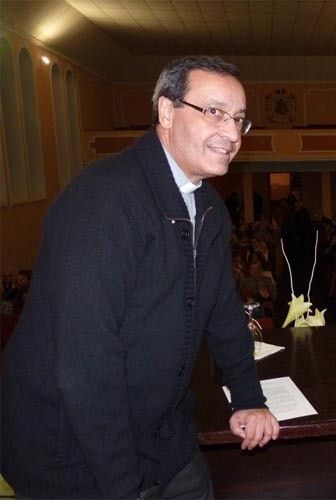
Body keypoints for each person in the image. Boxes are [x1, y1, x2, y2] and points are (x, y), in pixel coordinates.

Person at [1, 55, 280, 499]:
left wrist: (248, 397)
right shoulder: (101, 202)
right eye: (215, 113)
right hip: (74, 455)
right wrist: (123, 488)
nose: (231, 134)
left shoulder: (207, 205)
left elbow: (223, 311)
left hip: (163, 439)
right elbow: (86, 366)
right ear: (166, 111)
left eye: (239, 120)